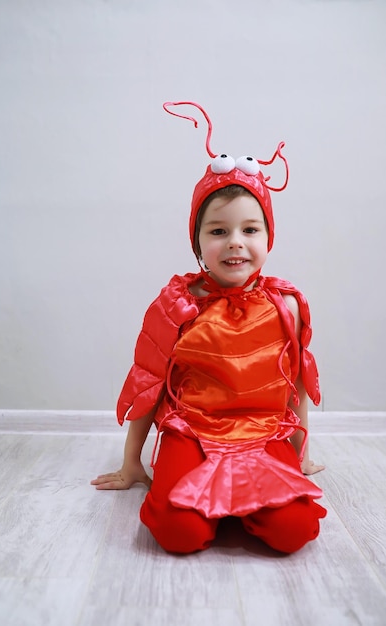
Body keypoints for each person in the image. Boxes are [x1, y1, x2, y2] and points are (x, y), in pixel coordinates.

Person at [91, 101, 326, 554]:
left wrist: (301, 451)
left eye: (249, 230)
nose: (235, 242)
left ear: (267, 237)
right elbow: (148, 383)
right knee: (178, 535)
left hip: (262, 432)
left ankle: (244, 505)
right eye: (218, 231)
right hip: (193, 430)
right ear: (198, 241)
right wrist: (131, 462)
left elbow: (295, 381)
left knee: (294, 530)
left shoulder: (287, 305)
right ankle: (209, 506)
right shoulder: (178, 304)